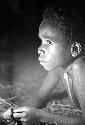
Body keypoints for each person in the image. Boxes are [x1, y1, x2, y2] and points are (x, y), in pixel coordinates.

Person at [2, 7, 85, 125]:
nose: (40, 49)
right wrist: (17, 113)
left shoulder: (80, 66)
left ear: (75, 49)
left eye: (49, 42)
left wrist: (40, 115)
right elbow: (40, 97)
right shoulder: (59, 68)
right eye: (41, 41)